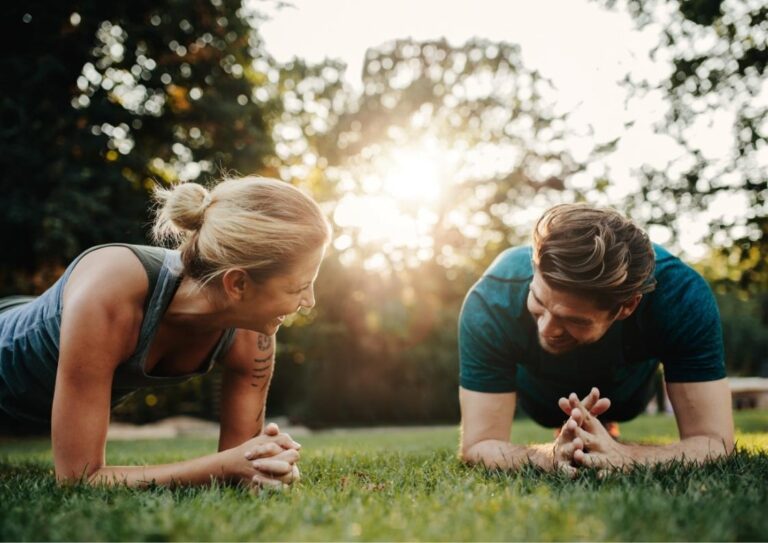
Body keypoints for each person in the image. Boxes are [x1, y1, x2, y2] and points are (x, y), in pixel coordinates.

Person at [0, 176, 331, 488]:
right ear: (238, 283)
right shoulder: (109, 291)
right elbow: (77, 479)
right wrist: (225, 465)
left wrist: (268, 467)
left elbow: (242, 466)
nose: (310, 301)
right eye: (299, 287)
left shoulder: (252, 335)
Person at [458, 203, 734, 473]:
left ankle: (606, 424)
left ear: (628, 306)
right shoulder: (490, 301)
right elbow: (478, 444)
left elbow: (715, 442)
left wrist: (625, 456)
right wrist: (548, 457)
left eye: (574, 319)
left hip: (626, 394)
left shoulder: (681, 296)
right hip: (541, 398)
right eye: (538, 300)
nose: (546, 329)